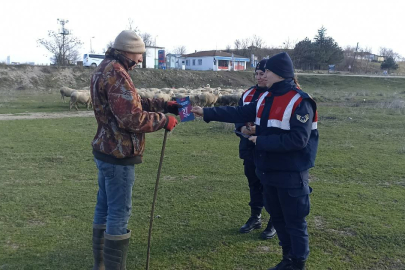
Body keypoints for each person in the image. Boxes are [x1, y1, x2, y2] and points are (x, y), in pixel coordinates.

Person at [191, 52, 318, 270]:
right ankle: (287, 259)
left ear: (278, 73)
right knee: (278, 218)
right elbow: (239, 111)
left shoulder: (300, 101)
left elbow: (299, 139)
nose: (262, 74)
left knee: (294, 222)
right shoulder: (265, 97)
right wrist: (206, 112)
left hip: (290, 173)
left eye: (266, 71)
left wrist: (261, 140)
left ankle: (298, 264)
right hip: (267, 170)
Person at [90, 30, 180, 270]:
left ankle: (99, 266)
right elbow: (131, 118)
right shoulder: (117, 73)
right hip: (119, 154)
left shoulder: (106, 67)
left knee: (104, 208)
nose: (140, 59)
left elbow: (130, 101)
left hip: (105, 149)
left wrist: (164, 104)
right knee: (119, 212)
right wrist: (163, 120)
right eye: (139, 54)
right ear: (127, 51)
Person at [235, 59, 276, 240]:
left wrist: (260, 131)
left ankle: (274, 221)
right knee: (253, 183)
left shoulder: (277, 94)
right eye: (257, 74)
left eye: (263, 74)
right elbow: (238, 116)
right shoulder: (247, 94)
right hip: (248, 147)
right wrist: (243, 129)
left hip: (269, 149)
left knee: (270, 186)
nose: (260, 77)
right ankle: (255, 217)